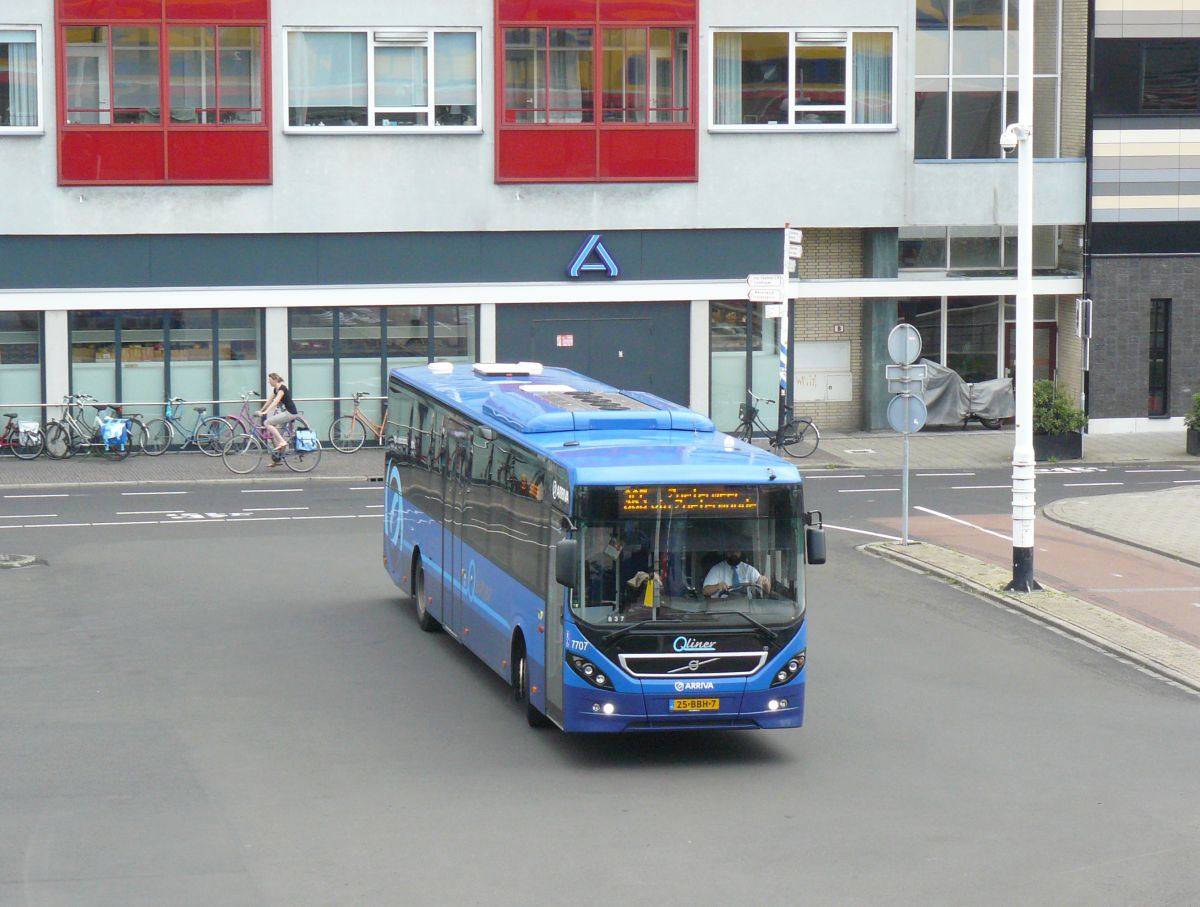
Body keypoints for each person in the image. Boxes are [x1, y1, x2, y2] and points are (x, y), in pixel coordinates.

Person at [258, 372, 298, 462]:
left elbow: (275, 402)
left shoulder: (282, 389)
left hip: (290, 413)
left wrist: (266, 412)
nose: (269, 382)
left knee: (267, 422)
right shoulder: (275, 390)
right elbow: (269, 401)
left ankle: (283, 442)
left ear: (275, 380)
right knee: (277, 436)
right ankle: (278, 459)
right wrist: (261, 410)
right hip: (286, 413)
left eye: (270, 380)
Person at [702, 549, 770, 598]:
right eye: (731, 551)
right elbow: (705, 591)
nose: (734, 554)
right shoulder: (717, 569)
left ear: (740, 552)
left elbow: (766, 591)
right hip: (722, 608)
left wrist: (765, 582)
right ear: (726, 552)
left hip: (747, 607)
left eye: (736, 551)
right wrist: (717, 587)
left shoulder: (749, 569)